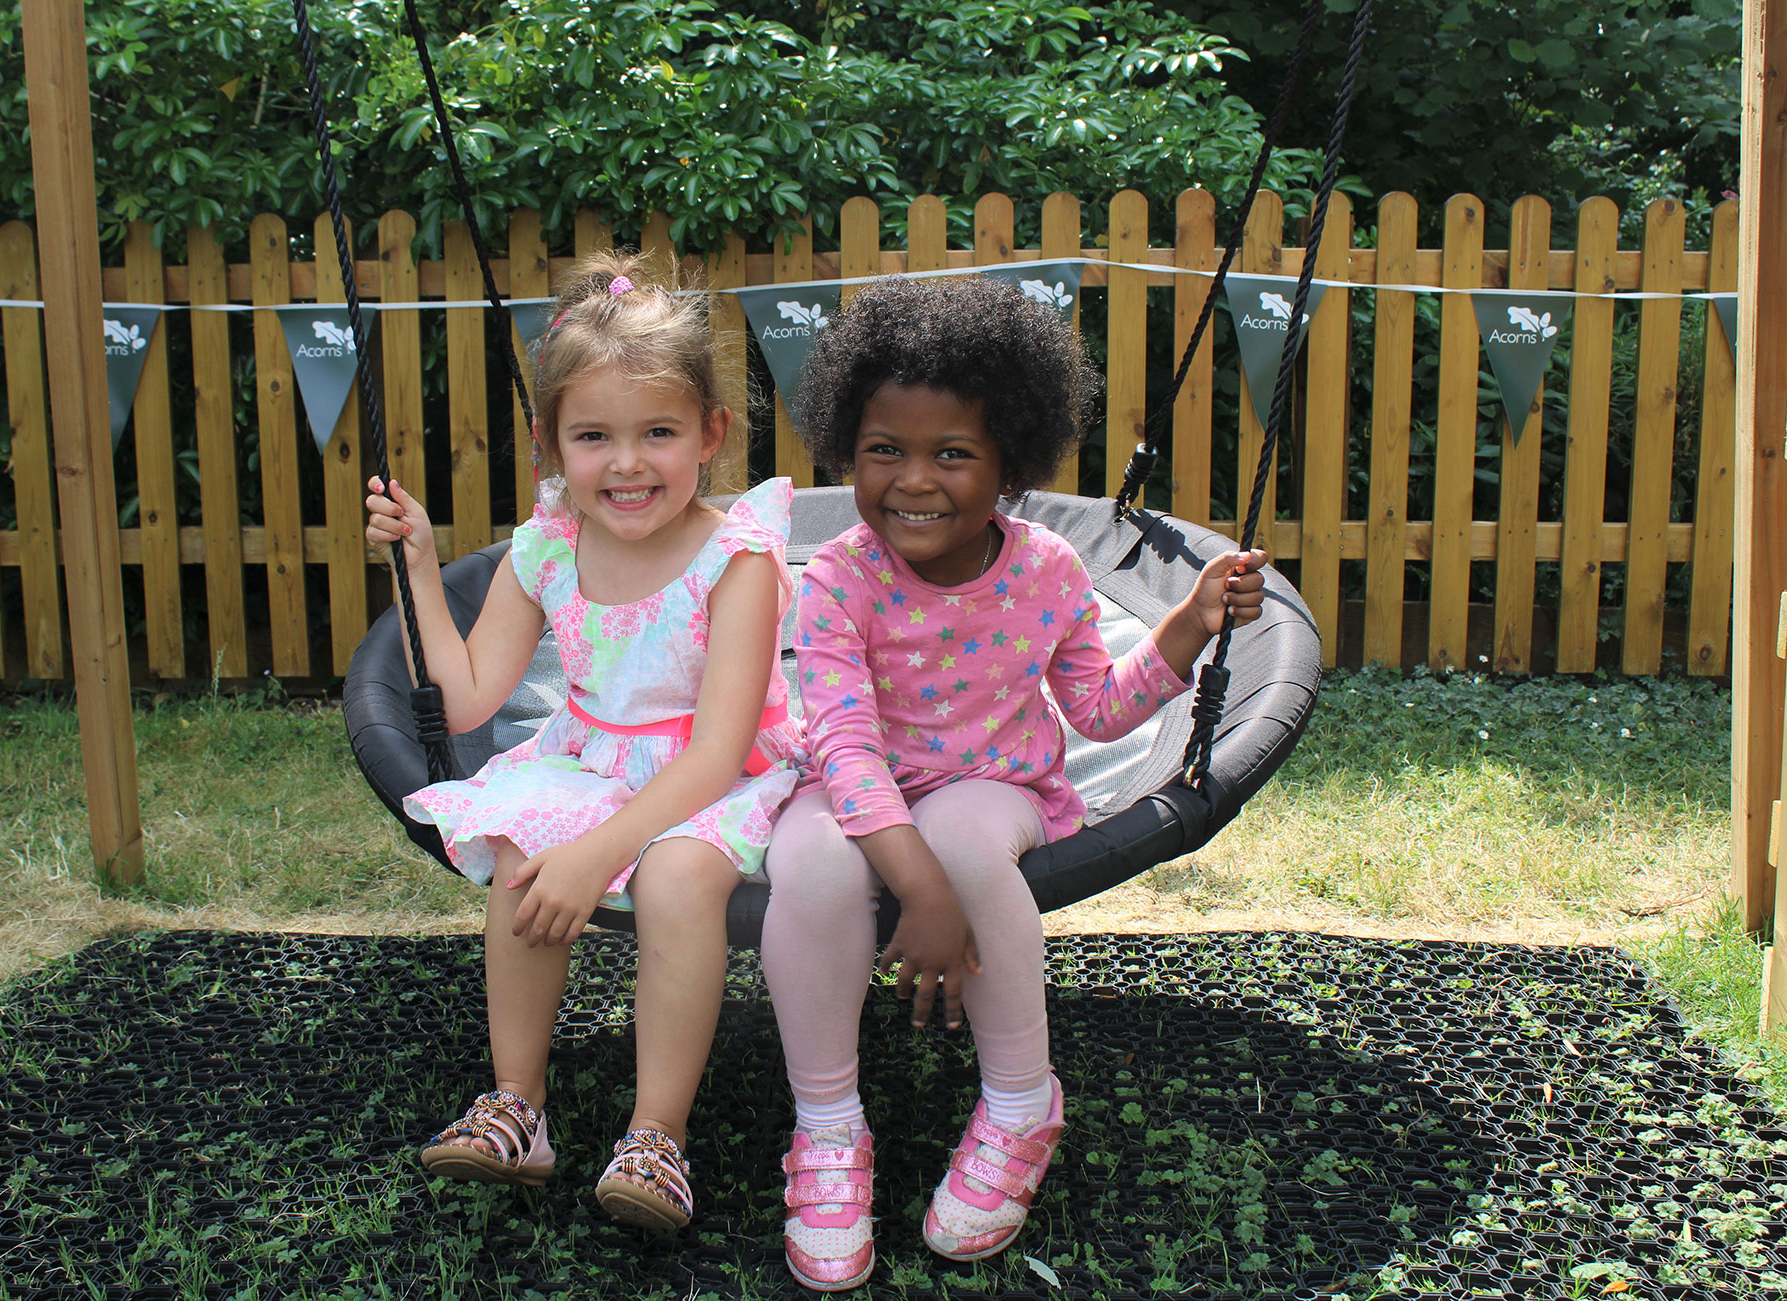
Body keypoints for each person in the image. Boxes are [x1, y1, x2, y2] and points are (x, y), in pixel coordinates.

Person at [762, 275, 1269, 1289]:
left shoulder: (1043, 570)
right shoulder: (836, 580)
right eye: (883, 450)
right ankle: (825, 1127)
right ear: (843, 450)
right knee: (808, 860)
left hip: (989, 781)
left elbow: (1097, 709)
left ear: (1006, 467)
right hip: (857, 781)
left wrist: (1188, 624)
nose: (914, 479)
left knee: (957, 836)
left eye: (952, 453)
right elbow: (848, 751)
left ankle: (1018, 1098)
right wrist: (916, 893)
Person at [365, 255, 801, 1232]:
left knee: (676, 880)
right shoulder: (548, 545)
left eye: (658, 432)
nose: (628, 463)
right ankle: (518, 1104)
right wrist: (421, 572)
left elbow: (719, 750)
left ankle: (656, 1136)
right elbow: (469, 698)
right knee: (522, 851)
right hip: (592, 757)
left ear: (710, 434)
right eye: (594, 436)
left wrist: (598, 852)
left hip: (713, 774)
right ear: (550, 444)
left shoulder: (736, 557)